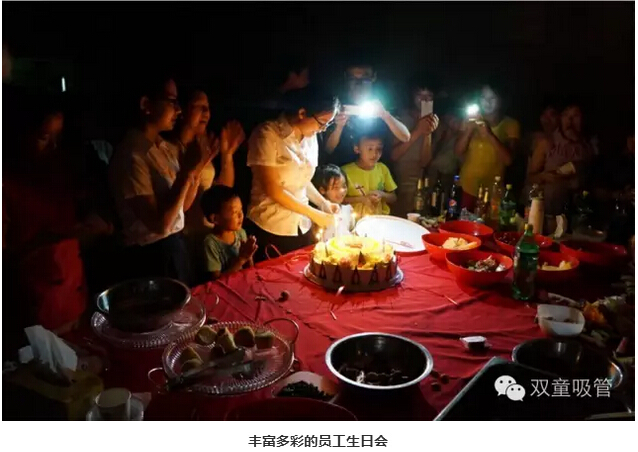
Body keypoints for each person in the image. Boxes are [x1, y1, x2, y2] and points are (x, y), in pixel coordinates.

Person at [3, 99, 112, 337]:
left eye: (58, 138)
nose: (53, 146)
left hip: (74, 294)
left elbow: (73, 223)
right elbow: (8, 256)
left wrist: (92, 226)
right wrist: (53, 236)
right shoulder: (7, 183)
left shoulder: (58, 170)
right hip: (37, 303)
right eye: (44, 137)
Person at [109, 75, 212, 284]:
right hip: (151, 256)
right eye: (171, 101)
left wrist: (195, 169)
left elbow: (182, 207)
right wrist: (186, 172)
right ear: (146, 105)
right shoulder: (132, 154)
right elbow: (159, 225)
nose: (179, 110)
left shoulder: (161, 147)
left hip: (174, 245)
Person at [162, 87, 245, 282]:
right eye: (198, 106)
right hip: (186, 238)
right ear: (182, 111)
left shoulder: (203, 145)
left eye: (207, 107)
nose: (206, 112)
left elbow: (221, 193)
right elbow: (180, 205)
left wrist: (227, 155)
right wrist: (197, 166)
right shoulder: (168, 150)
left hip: (211, 233)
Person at [245, 95, 341, 262]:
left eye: (328, 124)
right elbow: (273, 189)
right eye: (322, 122)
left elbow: (302, 180)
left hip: (301, 225)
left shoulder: (311, 137)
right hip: (271, 225)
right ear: (302, 113)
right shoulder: (267, 134)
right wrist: (315, 215)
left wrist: (323, 203)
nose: (323, 129)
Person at [322, 65, 410, 167]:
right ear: (347, 79)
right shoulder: (337, 105)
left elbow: (405, 137)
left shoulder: (381, 104)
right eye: (353, 79)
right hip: (344, 170)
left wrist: (384, 115)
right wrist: (339, 127)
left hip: (376, 171)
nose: (359, 84)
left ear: (373, 77)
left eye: (364, 79)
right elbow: (328, 149)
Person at [455, 85, 520, 211]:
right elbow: (457, 152)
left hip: (493, 191)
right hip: (467, 186)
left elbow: (508, 160)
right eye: (483, 98)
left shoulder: (510, 124)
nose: (487, 102)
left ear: (500, 100)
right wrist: (469, 130)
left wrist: (489, 134)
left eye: (492, 98)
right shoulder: (469, 120)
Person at [526, 103, 595, 218]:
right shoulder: (547, 143)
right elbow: (530, 177)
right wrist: (544, 176)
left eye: (575, 116)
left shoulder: (588, 148)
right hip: (548, 213)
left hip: (577, 213)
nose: (570, 120)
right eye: (566, 115)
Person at [391, 84, 440, 218]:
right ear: (412, 96)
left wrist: (427, 132)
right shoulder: (401, 118)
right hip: (399, 181)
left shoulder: (435, 121)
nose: (424, 100)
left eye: (429, 96)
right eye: (420, 95)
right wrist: (418, 130)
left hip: (421, 183)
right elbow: (394, 155)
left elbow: (425, 162)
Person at [200, 185, 257, 280]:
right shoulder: (210, 243)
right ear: (215, 218)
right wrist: (241, 259)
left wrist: (249, 256)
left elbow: (250, 269)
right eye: (234, 212)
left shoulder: (241, 233)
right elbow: (216, 281)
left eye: (241, 209)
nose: (241, 215)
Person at [342, 131, 398, 217]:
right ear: (357, 149)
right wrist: (361, 199)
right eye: (370, 149)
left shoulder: (382, 169)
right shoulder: (345, 171)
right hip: (354, 220)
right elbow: (338, 200)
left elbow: (393, 198)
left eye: (379, 149)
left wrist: (381, 194)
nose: (374, 154)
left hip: (378, 219)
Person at [311, 164, 353, 240]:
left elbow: (350, 230)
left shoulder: (348, 210)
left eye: (344, 186)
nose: (342, 191)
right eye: (336, 188)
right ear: (322, 190)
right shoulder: (317, 214)